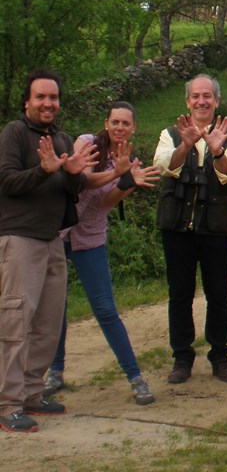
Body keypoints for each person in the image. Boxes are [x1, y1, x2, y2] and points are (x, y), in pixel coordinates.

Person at [45, 102, 161, 407]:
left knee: (105, 309)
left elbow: (105, 203)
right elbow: (80, 183)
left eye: (126, 123)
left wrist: (126, 181)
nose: (120, 128)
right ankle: (54, 373)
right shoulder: (86, 144)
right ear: (106, 123)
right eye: (115, 122)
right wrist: (116, 174)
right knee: (56, 305)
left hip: (89, 236)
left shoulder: (129, 161)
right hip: (58, 232)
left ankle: (135, 377)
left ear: (134, 128)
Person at [0, 69, 96, 433]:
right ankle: (6, 402)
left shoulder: (60, 137)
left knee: (47, 322)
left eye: (53, 97)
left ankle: (30, 393)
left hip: (53, 239)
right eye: (40, 97)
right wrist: (42, 169)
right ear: (27, 101)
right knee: (15, 321)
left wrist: (71, 173)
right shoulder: (14, 133)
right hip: (19, 237)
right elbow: (6, 180)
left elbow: (72, 188)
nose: (48, 103)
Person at [154, 73, 227, 385]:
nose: (201, 101)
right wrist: (186, 145)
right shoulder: (170, 134)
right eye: (196, 96)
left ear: (216, 101)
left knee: (218, 294)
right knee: (179, 294)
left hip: (214, 228)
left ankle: (220, 357)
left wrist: (217, 151)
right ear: (187, 101)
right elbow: (165, 166)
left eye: (207, 96)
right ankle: (182, 358)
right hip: (177, 228)